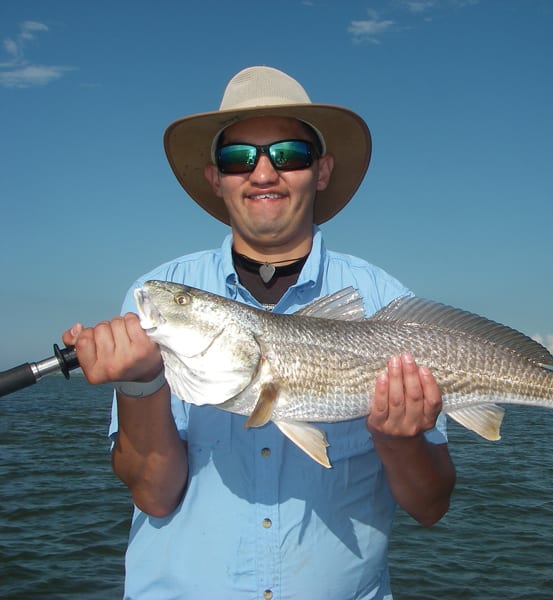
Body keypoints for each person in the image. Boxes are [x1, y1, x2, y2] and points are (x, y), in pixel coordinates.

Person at [62, 66, 456, 599]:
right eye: (238, 158)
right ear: (215, 178)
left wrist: (398, 435)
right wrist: (140, 386)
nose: (263, 173)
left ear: (320, 171)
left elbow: (429, 507)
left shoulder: (384, 302)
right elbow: (154, 496)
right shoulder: (163, 295)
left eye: (289, 154)